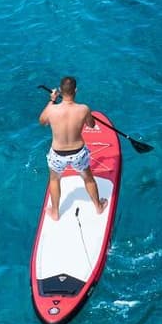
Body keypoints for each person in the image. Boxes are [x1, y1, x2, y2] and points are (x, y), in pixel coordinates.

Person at [40, 76, 106, 219]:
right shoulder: (83, 109)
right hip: (78, 153)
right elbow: (92, 125)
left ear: (60, 91)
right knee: (88, 178)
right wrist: (87, 116)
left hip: (58, 154)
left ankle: (56, 212)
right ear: (76, 90)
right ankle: (98, 207)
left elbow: (42, 121)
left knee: (54, 179)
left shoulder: (52, 110)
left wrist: (52, 100)